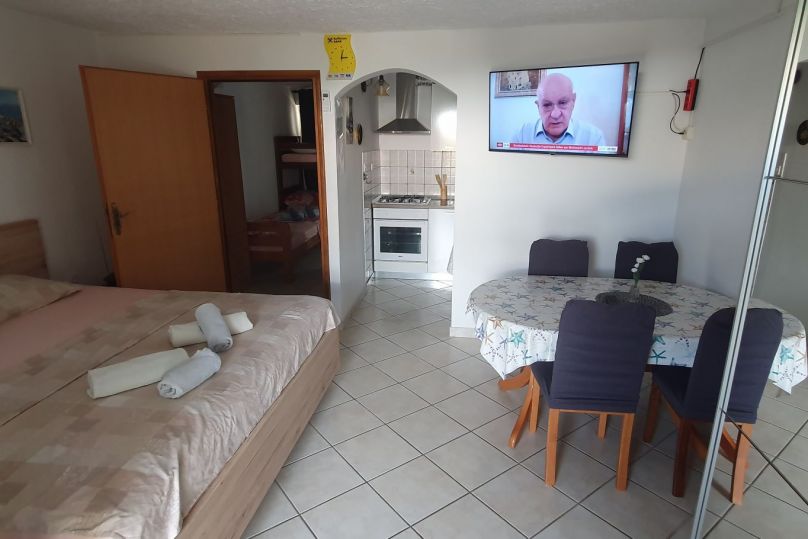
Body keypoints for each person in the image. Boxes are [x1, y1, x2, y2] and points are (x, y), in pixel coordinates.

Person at [513, 73, 606, 147]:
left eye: (563, 103)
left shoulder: (593, 138)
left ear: (573, 101)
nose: (555, 114)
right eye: (547, 105)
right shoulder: (521, 136)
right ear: (538, 107)